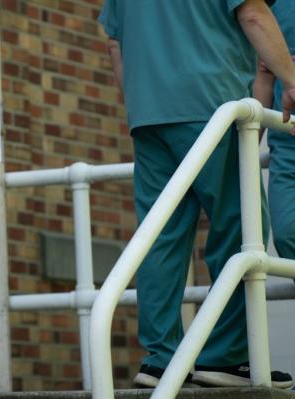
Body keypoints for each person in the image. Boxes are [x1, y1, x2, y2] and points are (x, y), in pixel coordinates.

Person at [98, 0, 295, 389]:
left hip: (148, 114)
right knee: (241, 226)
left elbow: (114, 44)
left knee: (160, 236)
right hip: (209, 100)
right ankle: (227, 355)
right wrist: (291, 80)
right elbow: (253, 13)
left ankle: (160, 359)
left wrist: (144, 102)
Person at [254, 0, 295, 263]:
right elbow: (264, 77)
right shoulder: (274, 4)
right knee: (288, 232)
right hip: (288, 147)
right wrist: (242, 151)